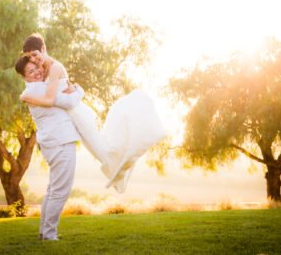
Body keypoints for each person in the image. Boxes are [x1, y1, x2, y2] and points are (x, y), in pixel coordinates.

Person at [20, 33, 167, 193]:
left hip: (78, 114)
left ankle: (127, 160)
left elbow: (52, 99)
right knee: (100, 153)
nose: (33, 60)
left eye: (35, 55)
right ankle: (119, 175)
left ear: (43, 48)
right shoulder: (43, 69)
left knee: (102, 151)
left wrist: (29, 97)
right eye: (29, 57)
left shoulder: (54, 67)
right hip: (72, 119)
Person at [15, 56, 85, 241]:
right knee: (60, 191)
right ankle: (49, 235)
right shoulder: (39, 88)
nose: (37, 71)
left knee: (53, 189)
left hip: (52, 142)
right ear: (24, 77)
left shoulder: (33, 89)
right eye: (31, 72)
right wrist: (80, 90)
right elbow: (70, 101)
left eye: (37, 67)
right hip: (60, 141)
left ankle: (44, 232)